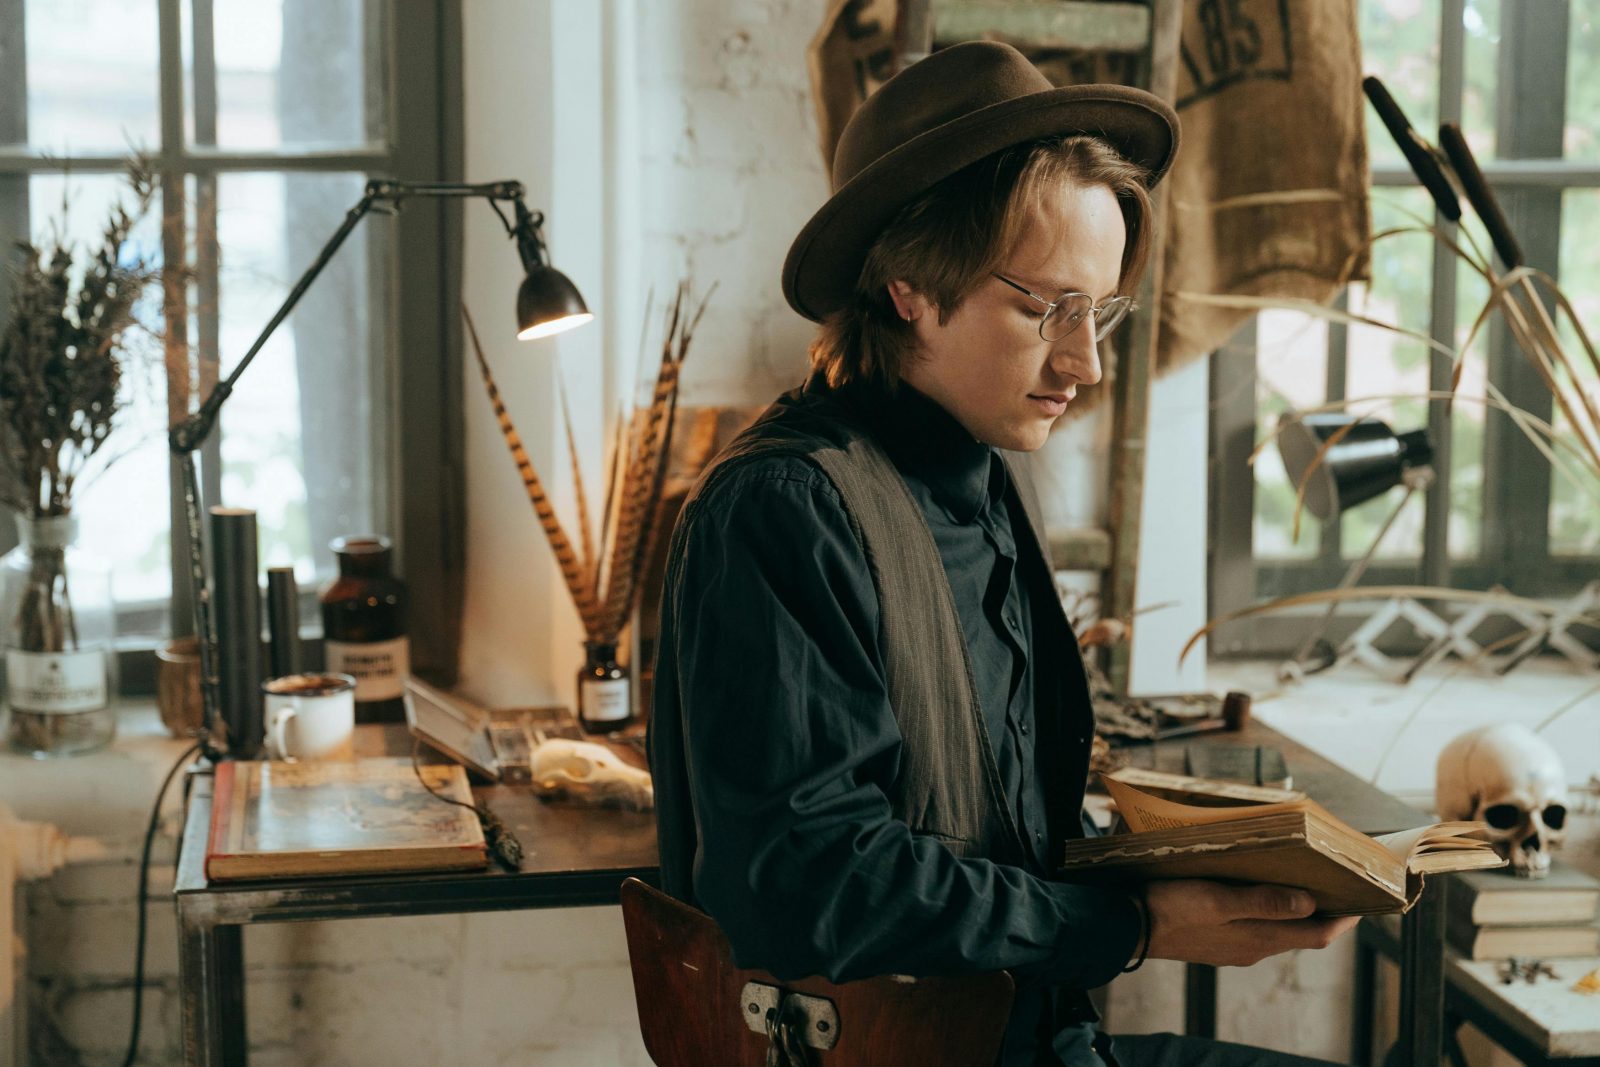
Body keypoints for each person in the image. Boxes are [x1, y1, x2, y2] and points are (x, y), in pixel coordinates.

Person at [648, 41, 1358, 1067]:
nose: (1087, 360)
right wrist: (1140, 927)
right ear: (906, 284)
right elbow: (809, 878)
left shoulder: (980, 471)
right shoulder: (784, 507)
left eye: (1101, 310)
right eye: (1043, 308)